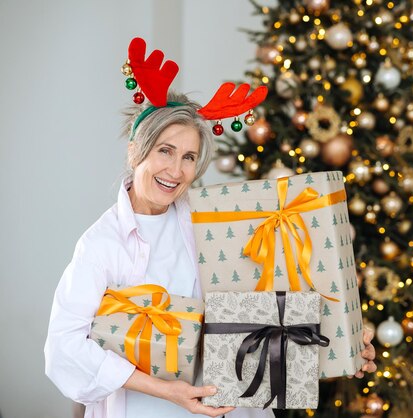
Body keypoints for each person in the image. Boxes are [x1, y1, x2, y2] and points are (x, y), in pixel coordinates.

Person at [44, 91, 377, 418]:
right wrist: (165, 390)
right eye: (165, 151)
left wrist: (344, 342)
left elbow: (268, 300)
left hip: (228, 403)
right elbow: (63, 349)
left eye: (189, 157)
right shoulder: (101, 243)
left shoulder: (211, 221)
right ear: (135, 151)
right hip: (143, 408)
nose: (175, 170)